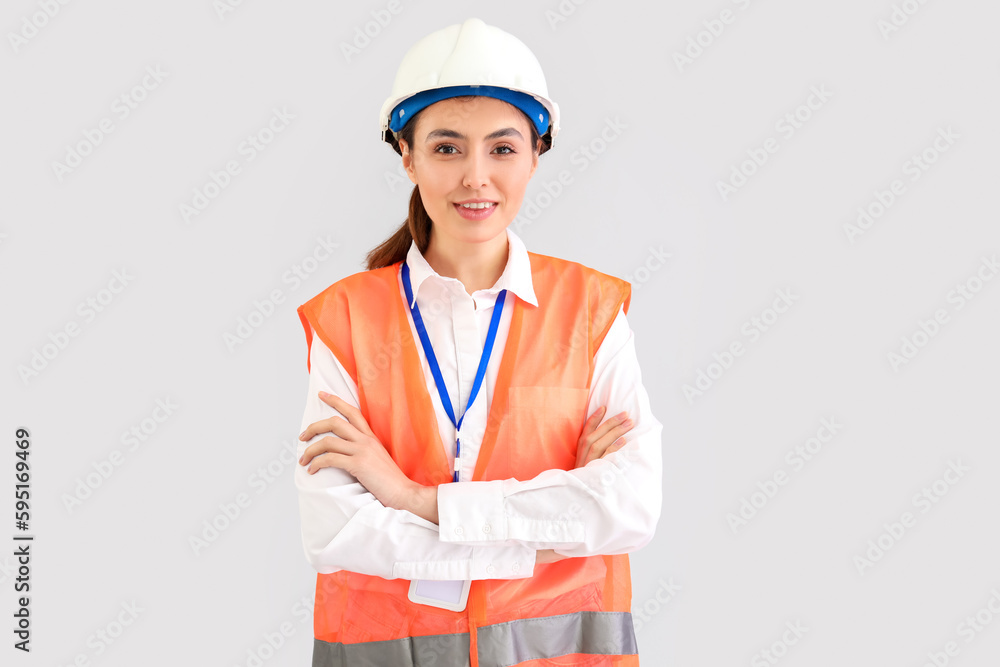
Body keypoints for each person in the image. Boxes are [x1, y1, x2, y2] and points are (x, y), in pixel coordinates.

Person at [294, 17, 662, 667]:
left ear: (535, 154)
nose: (475, 176)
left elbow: (629, 505)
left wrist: (413, 499)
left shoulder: (591, 312)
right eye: (445, 148)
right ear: (405, 155)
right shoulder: (346, 319)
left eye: (501, 148)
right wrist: (546, 535)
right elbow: (335, 529)